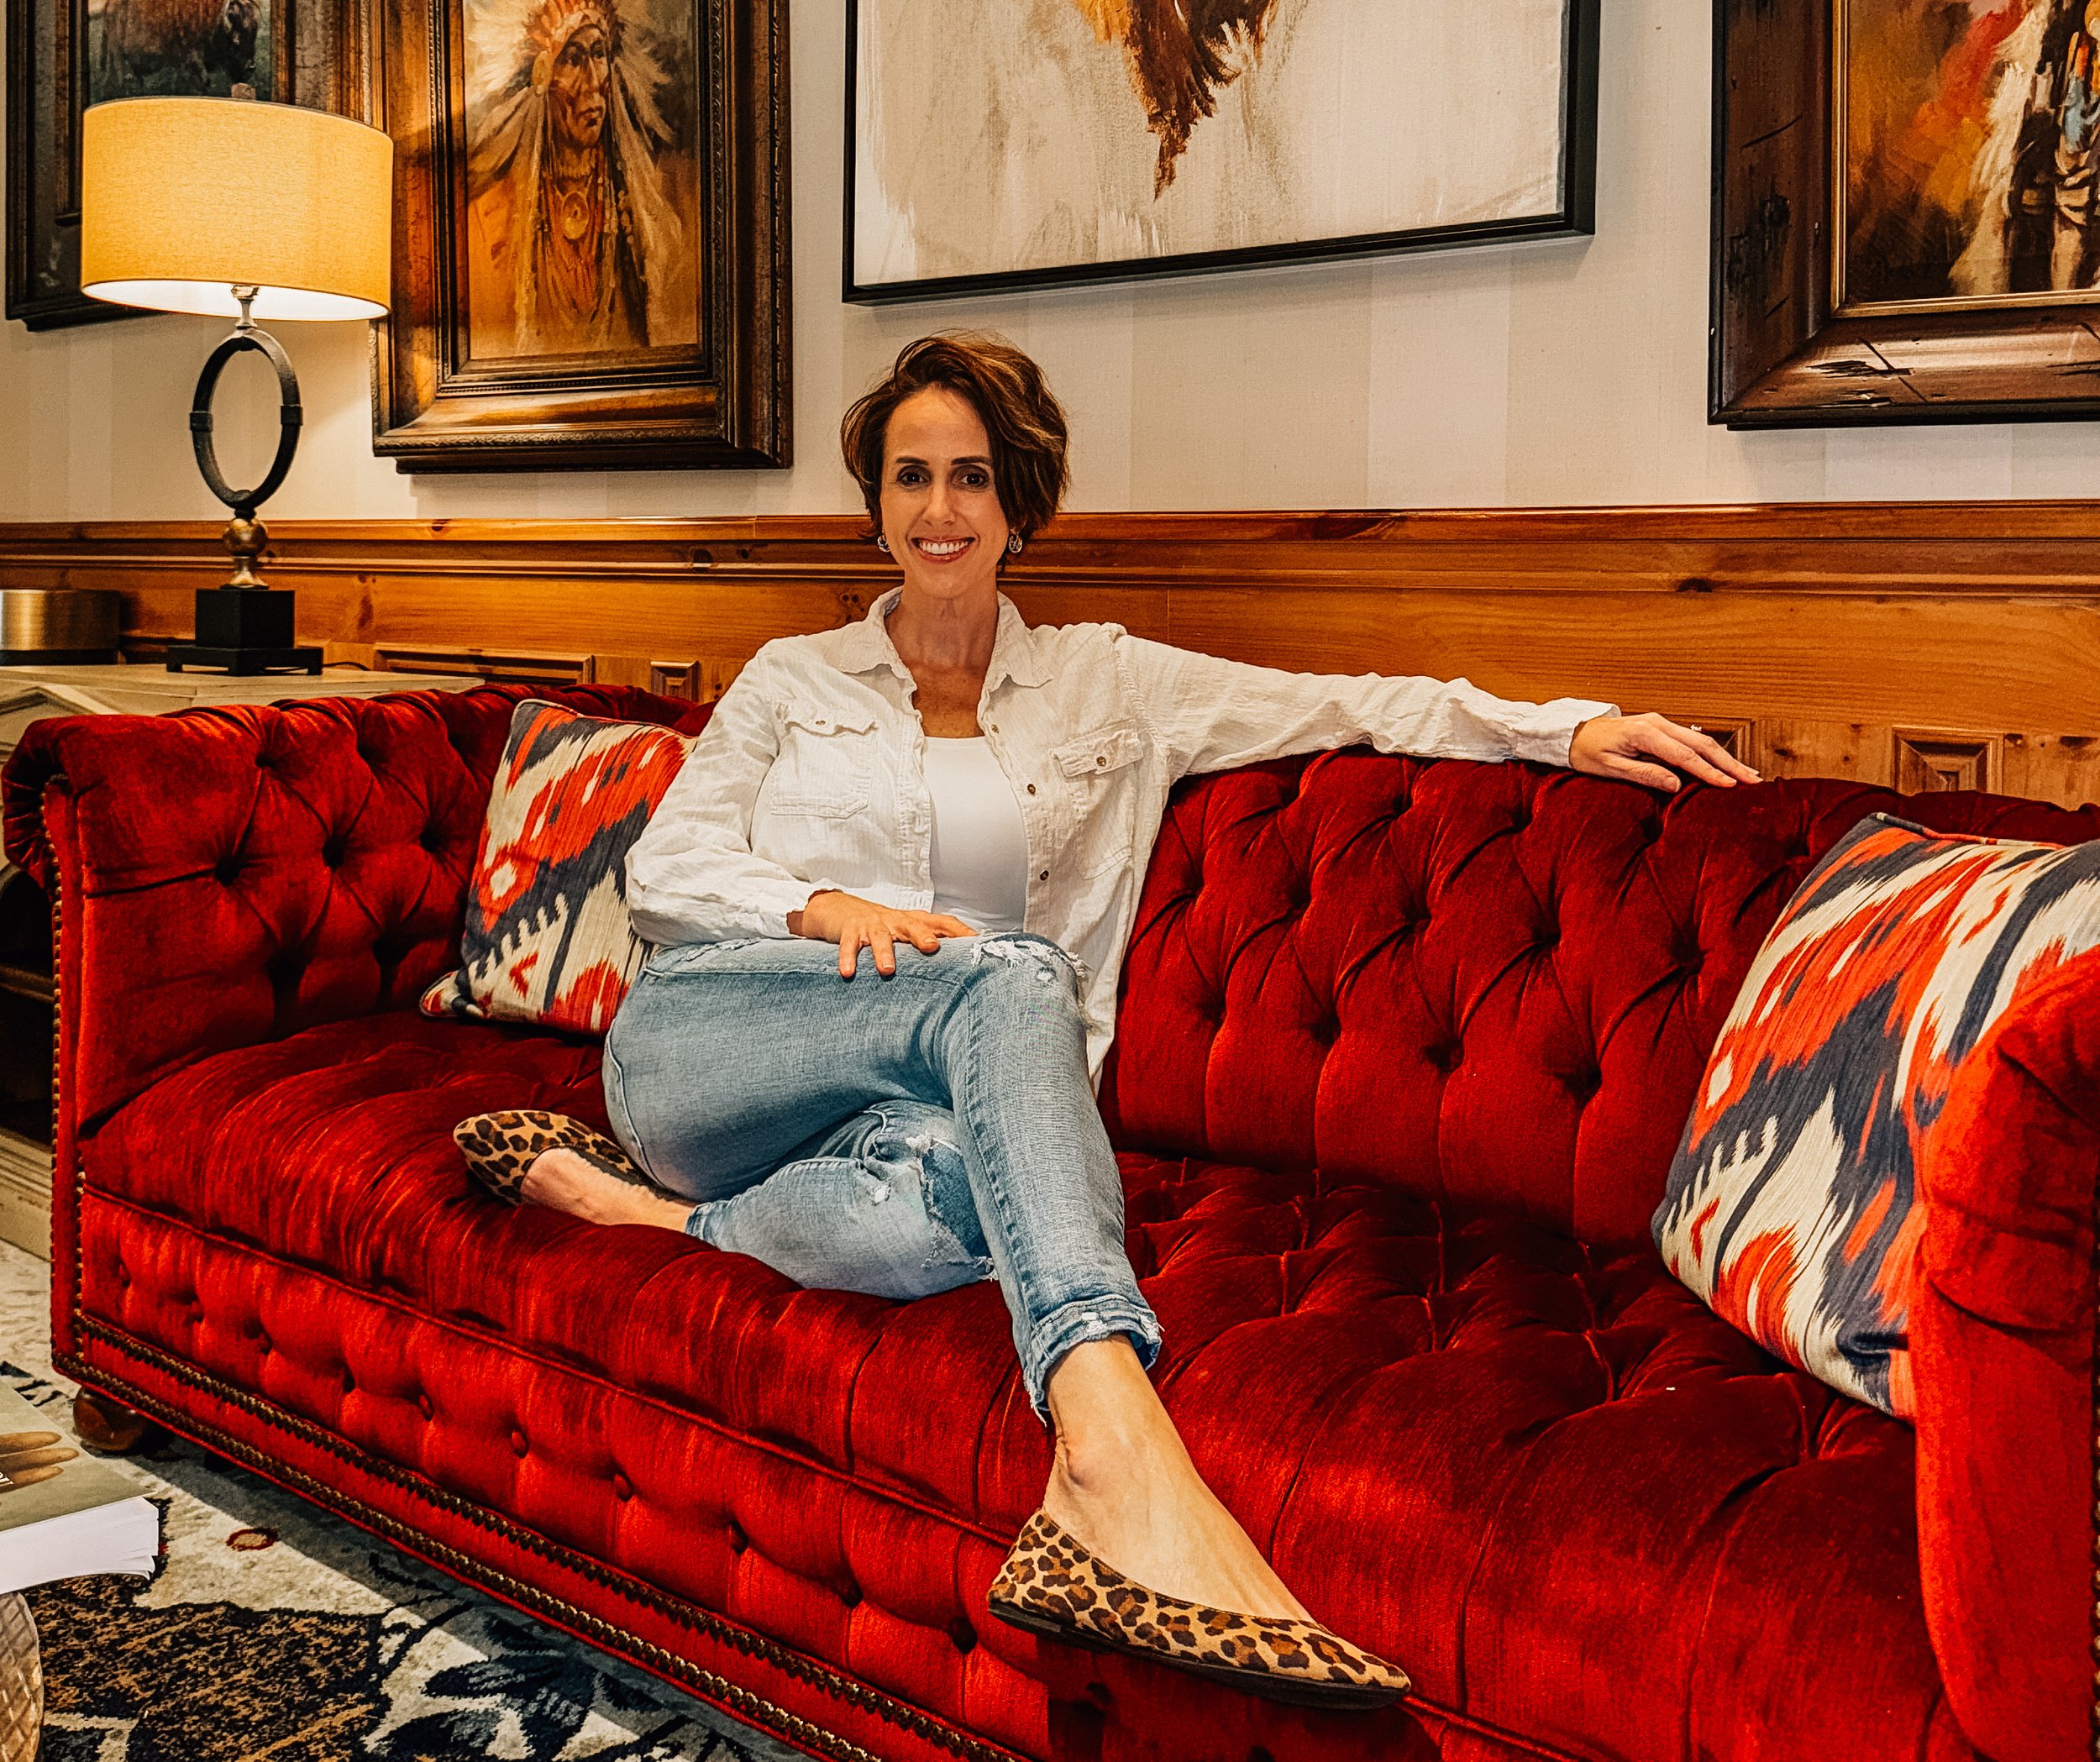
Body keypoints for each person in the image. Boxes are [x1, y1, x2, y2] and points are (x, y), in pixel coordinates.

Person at [454, 333, 1756, 1707]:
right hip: (712, 1049)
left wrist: (1564, 729)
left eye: (970, 476)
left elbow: (1355, 702)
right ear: (877, 501)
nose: (939, 508)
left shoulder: (1107, 681)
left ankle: (659, 1226)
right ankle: (1109, 1438)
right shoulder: (794, 680)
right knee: (1015, 972)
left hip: (917, 1119)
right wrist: (824, 909)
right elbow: (667, 872)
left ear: (1020, 501)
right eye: (910, 476)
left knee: (951, 1213)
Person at [464, 0, 696, 356]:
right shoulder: (492, 220)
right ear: (541, 77)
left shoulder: (653, 211)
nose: (592, 82)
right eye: (572, 59)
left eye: (599, 54)